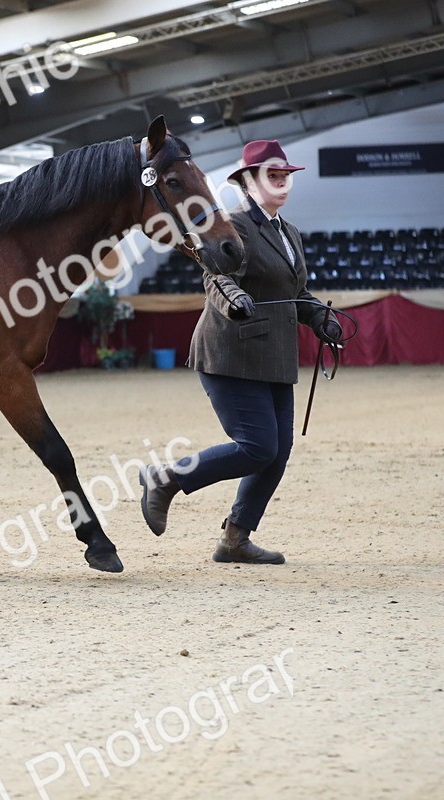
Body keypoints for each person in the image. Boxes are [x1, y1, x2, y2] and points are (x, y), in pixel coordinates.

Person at [138, 139, 342, 564]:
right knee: (257, 446)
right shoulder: (233, 225)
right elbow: (214, 277)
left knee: (276, 452)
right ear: (248, 182)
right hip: (229, 351)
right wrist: (232, 299)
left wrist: (321, 317)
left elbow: (295, 292)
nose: (283, 181)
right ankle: (166, 478)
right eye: (273, 175)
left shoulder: (289, 233)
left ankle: (235, 538)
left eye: (286, 175)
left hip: (273, 358)